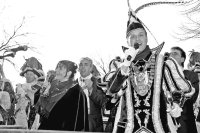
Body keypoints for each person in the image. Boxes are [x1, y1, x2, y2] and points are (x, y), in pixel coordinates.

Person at [105, 9, 195, 133]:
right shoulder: (121, 65)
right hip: (127, 128)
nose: (137, 39)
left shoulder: (163, 62)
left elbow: (181, 89)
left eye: (141, 34)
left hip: (158, 127)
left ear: (147, 38)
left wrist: (176, 103)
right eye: (133, 36)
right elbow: (111, 93)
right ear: (127, 41)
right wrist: (125, 65)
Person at [38, 60, 89, 131]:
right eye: (57, 68)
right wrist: (42, 93)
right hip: (47, 128)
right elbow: (42, 111)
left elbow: (76, 121)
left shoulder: (76, 91)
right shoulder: (52, 87)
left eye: (60, 69)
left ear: (69, 73)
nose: (56, 70)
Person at [170, 46, 199, 133]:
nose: (171, 55)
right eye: (170, 53)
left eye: (175, 53)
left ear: (183, 59)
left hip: (184, 123)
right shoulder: (162, 76)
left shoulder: (190, 75)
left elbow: (192, 97)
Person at [78, 57, 106, 132]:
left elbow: (103, 102)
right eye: (80, 65)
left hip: (93, 123)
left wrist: (91, 89)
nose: (82, 67)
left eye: (86, 64)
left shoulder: (99, 82)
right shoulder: (73, 83)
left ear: (91, 68)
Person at [15, 57, 44, 129]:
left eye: (31, 74)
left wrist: (21, 90)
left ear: (35, 76)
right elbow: (15, 100)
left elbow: (31, 95)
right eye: (27, 74)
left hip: (31, 113)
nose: (28, 76)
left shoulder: (37, 86)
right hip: (19, 113)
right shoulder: (21, 86)